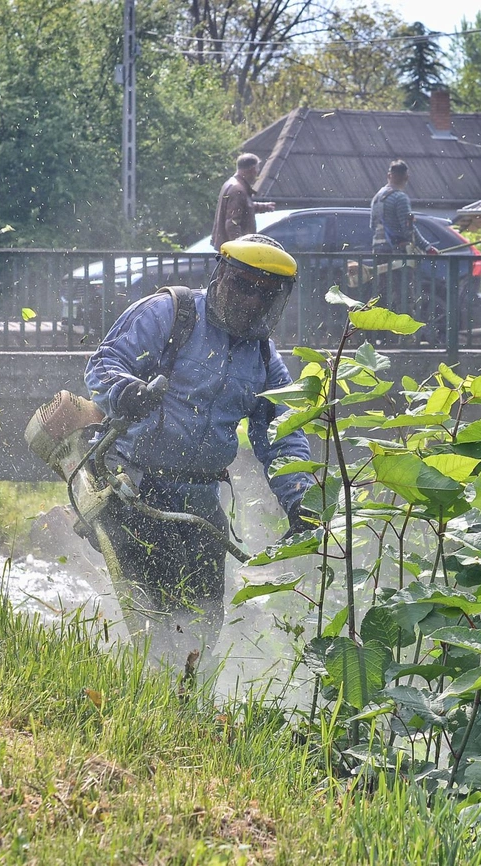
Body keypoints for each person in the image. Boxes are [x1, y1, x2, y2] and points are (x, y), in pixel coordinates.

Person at [84, 234, 313, 668]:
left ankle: (191, 710)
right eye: (243, 286)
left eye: (265, 294)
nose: (251, 302)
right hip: (132, 487)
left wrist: (299, 495)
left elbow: (283, 433)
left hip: (200, 503)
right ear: (222, 274)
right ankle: (139, 704)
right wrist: (126, 391)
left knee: (203, 621)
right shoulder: (171, 313)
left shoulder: (264, 358)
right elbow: (104, 365)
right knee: (145, 616)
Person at [370, 160, 437, 255]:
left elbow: (372, 225)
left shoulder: (376, 198)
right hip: (396, 252)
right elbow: (408, 230)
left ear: (389, 176)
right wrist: (427, 247)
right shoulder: (400, 198)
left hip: (378, 249)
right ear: (406, 177)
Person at [211, 154, 275, 250]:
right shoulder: (238, 190)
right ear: (252, 169)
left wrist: (263, 207)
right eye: (257, 169)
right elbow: (232, 223)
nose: (257, 172)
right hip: (233, 253)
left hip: (227, 249)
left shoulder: (232, 184)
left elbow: (243, 207)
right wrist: (240, 249)